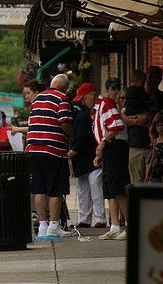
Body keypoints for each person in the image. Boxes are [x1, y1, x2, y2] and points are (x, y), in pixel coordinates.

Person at [26, 73, 74, 238]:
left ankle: (42, 226)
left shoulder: (38, 98)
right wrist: (71, 137)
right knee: (55, 189)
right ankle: (54, 225)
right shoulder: (62, 99)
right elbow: (64, 122)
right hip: (53, 149)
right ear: (65, 87)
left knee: (39, 188)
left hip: (33, 148)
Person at [93, 77, 130, 241]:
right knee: (109, 188)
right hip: (111, 147)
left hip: (115, 147)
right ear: (107, 89)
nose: (115, 91)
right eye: (113, 88)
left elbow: (115, 126)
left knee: (116, 186)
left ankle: (130, 225)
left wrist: (102, 144)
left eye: (117, 88)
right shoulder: (106, 104)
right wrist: (101, 148)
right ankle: (115, 226)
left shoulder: (107, 103)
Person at [68, 82, 106, 228]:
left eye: (83, 98)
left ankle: (99, 218)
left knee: (94, 187)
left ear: (91, 94)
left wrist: (69, 154)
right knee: (85, 189)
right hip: (84, 159)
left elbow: (81, 142)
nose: (83, 102)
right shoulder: (83, 116)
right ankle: (85, 218)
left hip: (90, 158)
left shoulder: (81, 118)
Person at [121, 70, 153, 183]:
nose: (144, 85)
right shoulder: (139, 93)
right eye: (143, 82)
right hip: (138, 143)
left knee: (144, 180)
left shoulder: (130, 93)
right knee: (138, 179)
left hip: (144, 143)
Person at [145, 110, 163, 182]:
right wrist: (147, 174)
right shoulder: (155, 141)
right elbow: (153, 157)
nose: (159, 128)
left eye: (161, 125)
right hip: (156, 170)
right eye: (157, 125)